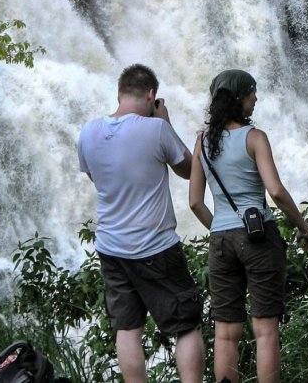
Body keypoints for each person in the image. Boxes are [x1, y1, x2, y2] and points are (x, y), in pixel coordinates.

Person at [188, 69, 308, 383]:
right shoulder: (255, 138)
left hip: (220, 241)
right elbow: (275, 191)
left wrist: (221, 229)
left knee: (225, 334)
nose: (255, 98)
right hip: (258, 238)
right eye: (252, 93)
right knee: (265, 331)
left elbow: (194, 201)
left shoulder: (203, 141)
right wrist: (303, 228)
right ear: (239, 98)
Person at [78, 64, 204, 383]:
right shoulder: (156, 130)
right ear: (151, 95)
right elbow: (189, 170)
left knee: (127, 328)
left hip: (111, 249)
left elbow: (98, 180)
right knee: (186, 326)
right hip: (156, 247)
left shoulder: (88, 133)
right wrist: (166, 123)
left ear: (120, 93)